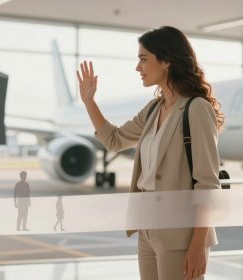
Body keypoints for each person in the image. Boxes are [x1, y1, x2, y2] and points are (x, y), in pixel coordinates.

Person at [77, 26, 223, 280]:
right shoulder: (154, 109)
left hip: (179, 231)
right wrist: (90, 102)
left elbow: (208, 183)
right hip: (147, 226)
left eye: (144, 59)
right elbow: (114, 140)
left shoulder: (196, 109)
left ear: (167, 61)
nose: (138, 67)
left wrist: (198, 244)